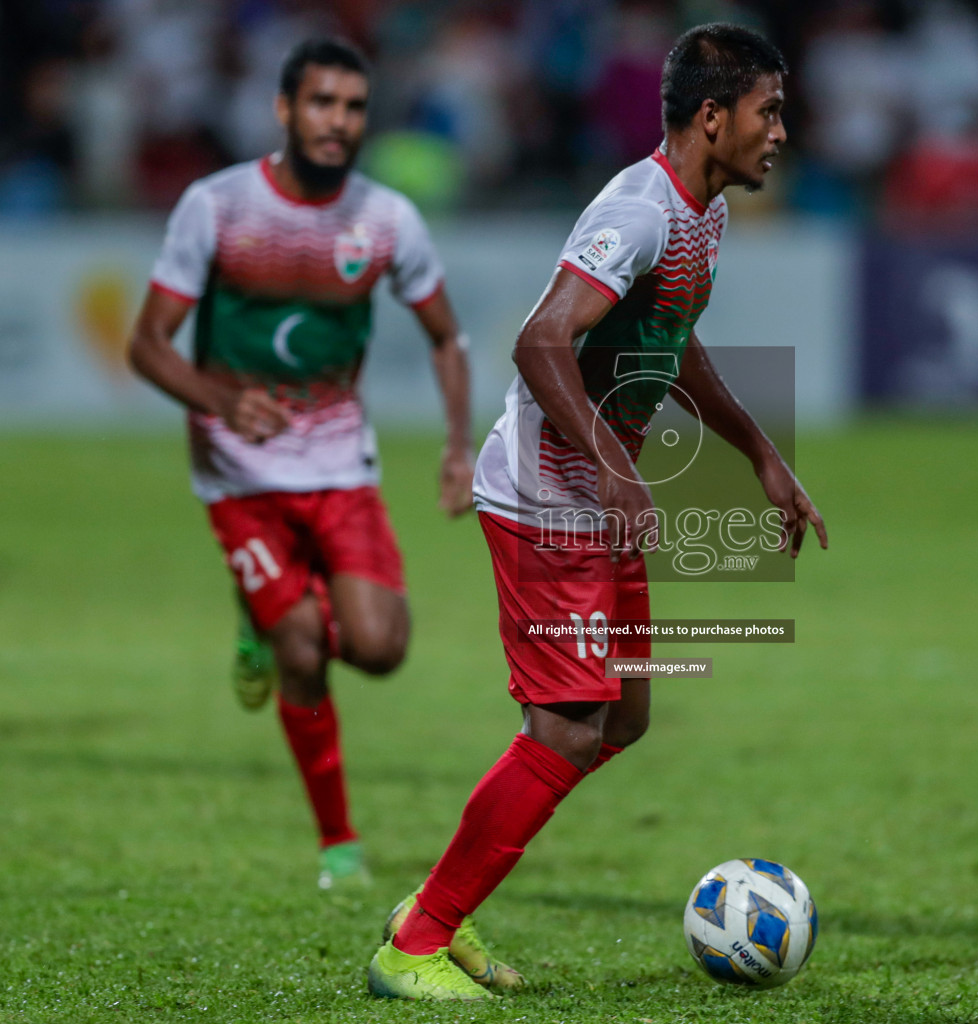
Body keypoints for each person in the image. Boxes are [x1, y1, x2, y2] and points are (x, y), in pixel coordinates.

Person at [366, 23, 828, 1001]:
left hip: (598, 499)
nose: (781, 131)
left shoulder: (706, 215)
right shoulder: (640, 210)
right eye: (768, 111)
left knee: (622, 718)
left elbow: (674, 341)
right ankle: (416, 942)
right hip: (547, 498)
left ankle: (435, 902)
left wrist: (760, 455)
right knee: (569, 728)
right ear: (714, 116)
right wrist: (614, 467)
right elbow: (540, 343)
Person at [128, 38, 474, 891]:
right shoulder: (216, 207)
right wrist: (218, 401)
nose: (339, 122)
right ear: (285, 109)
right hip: (239, 476)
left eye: (354, 108)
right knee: (302, 651)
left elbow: (446, 338)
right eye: (322, 103)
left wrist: (458, 446)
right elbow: (145, 345)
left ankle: (273, 608)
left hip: (338, 465)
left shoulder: (386, 220)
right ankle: (339, 846)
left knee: (382, 648)